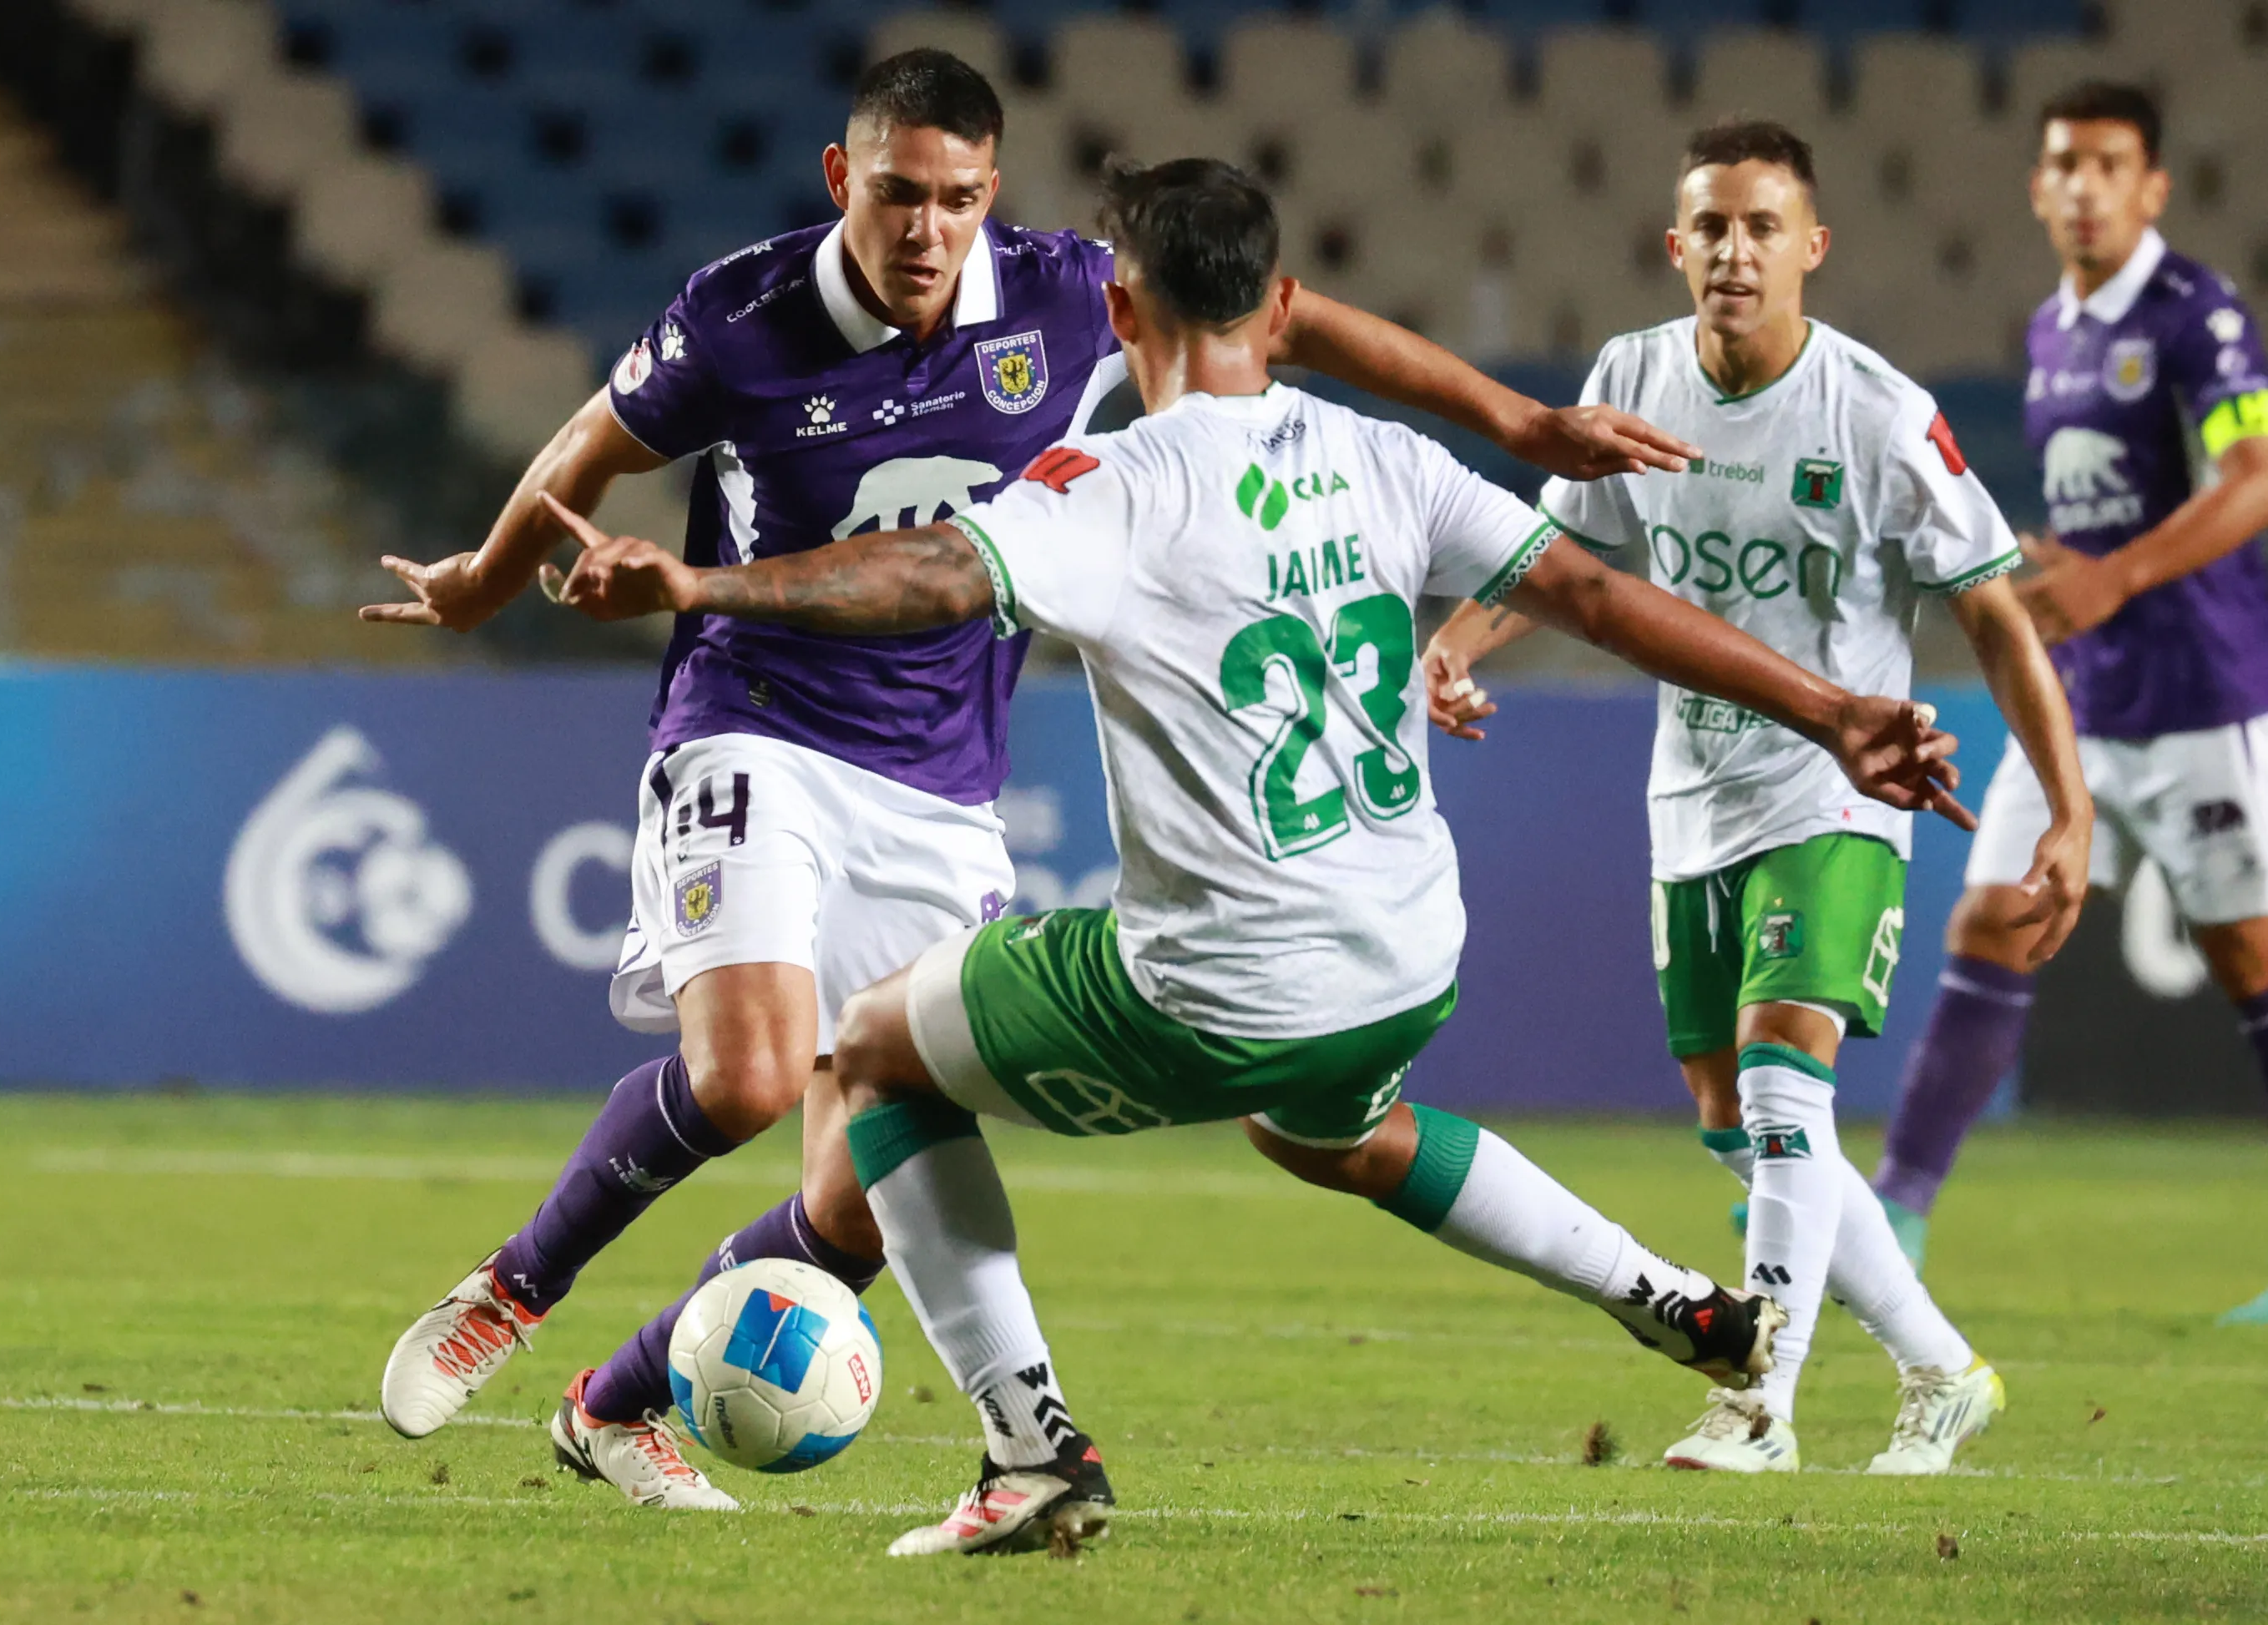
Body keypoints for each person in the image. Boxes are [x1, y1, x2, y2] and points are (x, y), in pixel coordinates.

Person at [544, 155, 1978, 1555]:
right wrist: (1836, 710)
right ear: (1282, 306)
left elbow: (931, 571)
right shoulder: (1388, 458)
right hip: (1407, 960)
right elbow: (1597, 596)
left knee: (871, 1051)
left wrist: (702, 580)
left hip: (1215, 985)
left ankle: (1031, 1450)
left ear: (1120, 310)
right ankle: (1674, 1299)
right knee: (1325, 1130)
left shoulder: (1113, 479)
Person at [356, 48, 1699, 1506]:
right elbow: (590, 443)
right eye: (898, 194)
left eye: (958, 199)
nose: (927, 229)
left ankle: (615, 1405)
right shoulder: (741, 315)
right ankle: (512, 1287)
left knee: (856, 1203)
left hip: (941, 779)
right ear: (842, 178)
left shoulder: (1063, 294)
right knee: (749, 1071)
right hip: (754, 716)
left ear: (992, 191)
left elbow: (1288, 315)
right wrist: (485, 582)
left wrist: (1520, 425)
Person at [1421, 119, 2091, 1472]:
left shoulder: (1877, 413)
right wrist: (1456, 643)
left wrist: (2069, 805)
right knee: (1736, 1121)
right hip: (1693, 795)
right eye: (1713, 228)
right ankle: (1941, 1368)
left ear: (1812, 248)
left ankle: (1760, 1398)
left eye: (1763, 228)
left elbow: (1995, 611)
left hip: (1840, 790)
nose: (1736, 252)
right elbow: (1558, 558)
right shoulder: (1632, 378)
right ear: (1677, 244)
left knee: (1786, 1088)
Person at [1869, 83, 2268, 1324]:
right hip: (2081, 695)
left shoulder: (2199, 316)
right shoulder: (2053, 329)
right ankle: (1893, 1215)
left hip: (2202, 694)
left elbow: (2256, 475)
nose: (2085, 186)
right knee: (1991, 920)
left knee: (2248, 954)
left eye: (2109, 164)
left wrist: (2117, 576)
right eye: (2064, 164)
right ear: (2038, 187)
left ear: (2153, 186)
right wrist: (2066, 572)